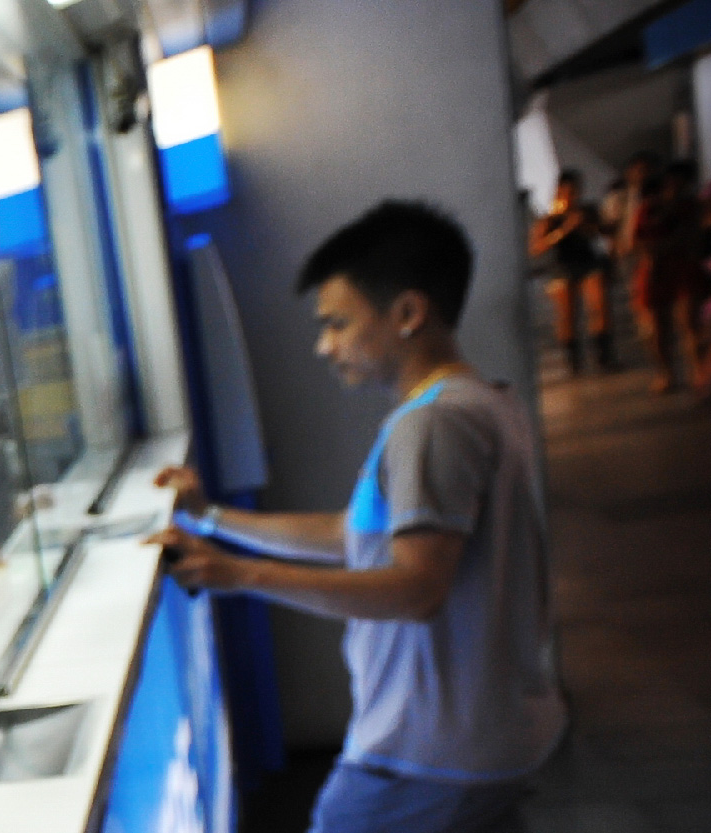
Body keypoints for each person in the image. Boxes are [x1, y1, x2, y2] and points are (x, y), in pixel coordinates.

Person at [151, 202, 562, 833]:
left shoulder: (432, 424)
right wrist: (212, 518)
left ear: (406, 314)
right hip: (486, 741)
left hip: (425, 756)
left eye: (338, 323)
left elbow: (416, 587)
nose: (325, 346)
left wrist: (242, 578)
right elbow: (355, 536)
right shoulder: (480, 401)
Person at [621, 158, 708, 391]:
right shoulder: (648, 208)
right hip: (655, 270)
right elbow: (632, 242)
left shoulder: (691, 207)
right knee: (658, 328)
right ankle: (667, 373)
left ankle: (698, 374)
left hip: (681, 267)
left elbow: (695, 236)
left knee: (689, 323)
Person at [526, 171, 613, 372]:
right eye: (568, 192)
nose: (572, 196)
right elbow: (536, 247)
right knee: (567, 315)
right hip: (562, 267)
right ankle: (573, 360)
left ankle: (603, 355)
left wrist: (587, 225)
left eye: (575, 191)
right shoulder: (549, 218)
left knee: (599, 306)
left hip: (588, 263)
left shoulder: (587, 211)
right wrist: (564, 230)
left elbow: (604, 231)